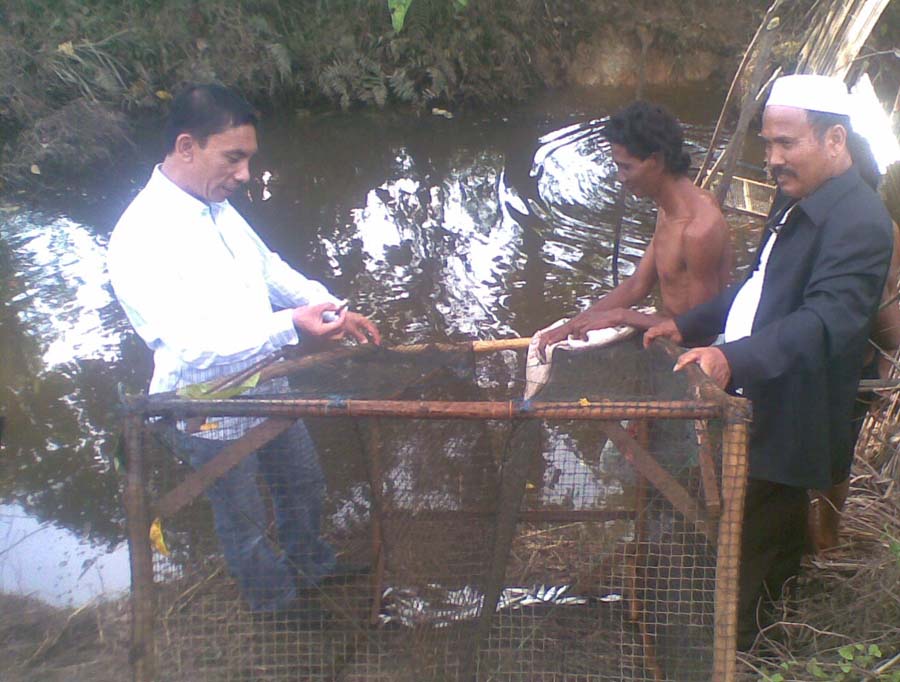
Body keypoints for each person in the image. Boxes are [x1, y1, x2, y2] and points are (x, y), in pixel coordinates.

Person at [107, 84, 380, 617]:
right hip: (205, 409)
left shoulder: (217, 205)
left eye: (249, 159)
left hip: (267, 386)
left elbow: (269, 267)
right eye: (234, 158)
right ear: (187, 147)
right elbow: (192, 345)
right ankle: (276, 604)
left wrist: (328, 307)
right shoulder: (139, 237)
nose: (245, 174)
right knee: (244, 517)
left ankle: (311, 564)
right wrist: (290, 325)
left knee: (303, 483)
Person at [644, 74, 893, 649]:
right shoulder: (795, 196)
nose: (773, 159)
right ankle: (722, 633)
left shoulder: (859, 222)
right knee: (731, 528)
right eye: (767, 144)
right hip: (751, 394)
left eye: (787, 143)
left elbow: (825, 322)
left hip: (790, 414)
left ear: (835, 140)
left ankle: (742, 653)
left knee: (756, 547)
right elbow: (757, 287)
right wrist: (689, 325)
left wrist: (732, 359)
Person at [536, 101, 731, 357]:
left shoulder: (699, 230)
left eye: (626, 167)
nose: (620, 178)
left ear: (656, 161)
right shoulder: (668, 210)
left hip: (703, 353)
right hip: (671, 335)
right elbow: (638, 284)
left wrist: (623, 316)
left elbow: (701, 331)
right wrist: (572, 325)